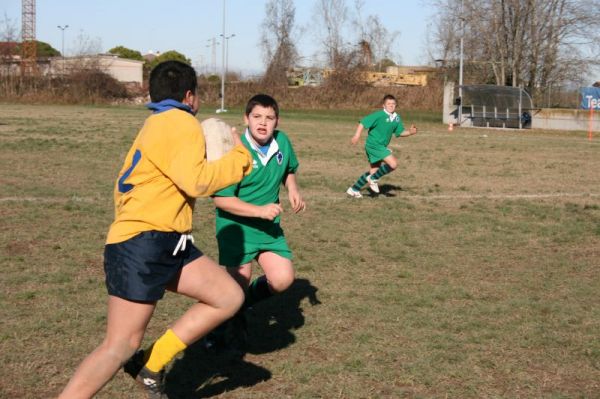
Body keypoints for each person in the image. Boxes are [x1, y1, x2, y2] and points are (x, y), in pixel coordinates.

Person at [58, 60, 253, 399]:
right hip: (144, 244)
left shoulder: (159, 123)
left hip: (167, 242)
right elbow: (197, 181)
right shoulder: (179, 122)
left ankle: (151, 364)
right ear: (190, 96)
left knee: (228, 295)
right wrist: (240, 159)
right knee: (119, 346)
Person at [211, 94, 305, 350]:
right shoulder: (234, 150)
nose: (263, 123)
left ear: (277, 121)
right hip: (237, 229)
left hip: (267, 227)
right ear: (246, 119)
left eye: (269, 117)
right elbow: (222, 201)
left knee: (283, 279)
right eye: (257, 117)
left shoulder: (282, 142)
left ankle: (242, 306)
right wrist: (259, 210)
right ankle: (216, 330)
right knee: (233, 290)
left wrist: (292, 188)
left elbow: (289, 169)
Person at [346, 94, 417, 198]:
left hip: (380, 146)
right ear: (384, 105)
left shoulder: (396, 118)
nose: (391, 105)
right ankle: (373, 179)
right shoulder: (379, 115)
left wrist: (410, 132)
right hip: (373, 145)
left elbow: (400, 132)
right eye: (388, 104)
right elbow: (363, 122)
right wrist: (357, 135)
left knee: (373, 171)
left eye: (393, 103)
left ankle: (354, 189)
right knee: (393, 164)